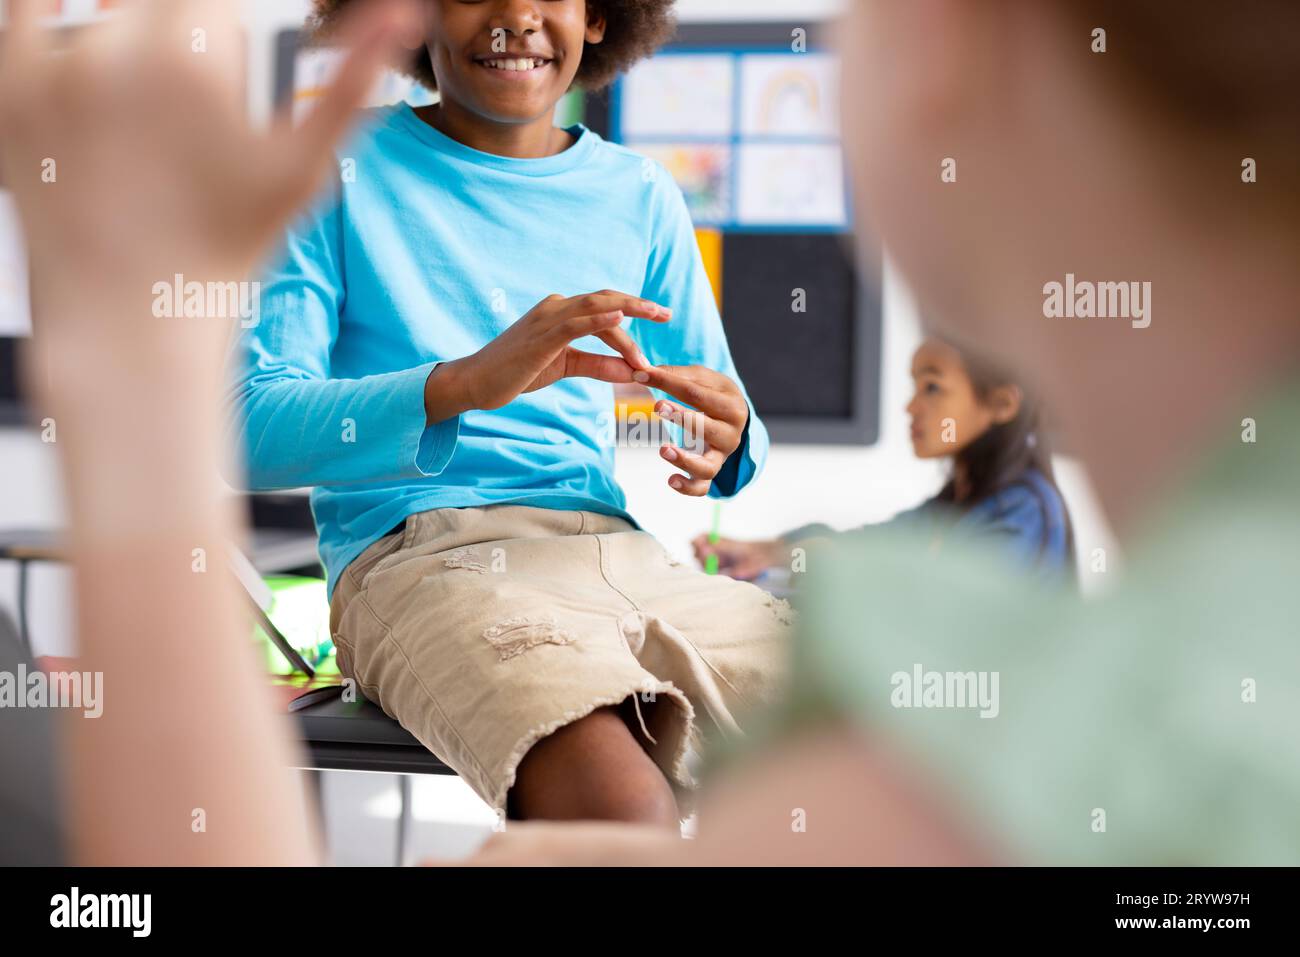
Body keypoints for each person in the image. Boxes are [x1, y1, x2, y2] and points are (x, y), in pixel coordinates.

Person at [225, 0, 787, 828]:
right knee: (623, 814)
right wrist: (460, 384)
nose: (517, 14)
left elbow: (727, 413)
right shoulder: (332, 165)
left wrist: (732, 441)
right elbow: (247, 434)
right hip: (420, 556)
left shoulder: (638, 194)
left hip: (615, 549)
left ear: (597, 17)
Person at [695, 337, 1074, 584]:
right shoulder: (951, 506)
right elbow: (874, 543)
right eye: (914, 386)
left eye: (932, 387)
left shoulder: (1026, 513)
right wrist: (767, 552)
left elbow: (950, 618)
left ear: (1001, 403)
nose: (911, 406)